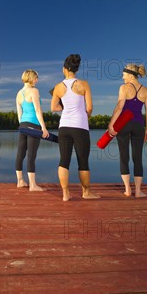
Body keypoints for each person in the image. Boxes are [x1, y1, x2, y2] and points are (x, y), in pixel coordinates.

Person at [51, 54, 99, 201]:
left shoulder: (58, 87)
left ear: (64, 69)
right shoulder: (84, 84)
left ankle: (65, 194)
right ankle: (86, 193)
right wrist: (86, 116)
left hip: (64, 127)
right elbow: (90, 107)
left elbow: (53, 107)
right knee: (83, 161)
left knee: (64, 160)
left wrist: (65, 107)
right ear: (76, 69)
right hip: (80, 127)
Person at [108, 63, 147, 198]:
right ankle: (138, 192)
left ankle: (127, 190)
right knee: (137, 158)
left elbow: (119, 108)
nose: (122, 77)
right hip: (139, 126)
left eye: (124, 74)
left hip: (124, 125)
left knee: (124, 157)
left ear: (131, 76)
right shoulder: (146, 90)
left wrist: (111, 124)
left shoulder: (124, 88)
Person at [15, 69, 49, 191]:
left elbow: (19, 114)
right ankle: (33, 185)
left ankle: (20, 181)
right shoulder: (34, 91)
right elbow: (38, 110)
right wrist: (44, 127)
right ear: (30, 78)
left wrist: (22, 127)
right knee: (31, 155)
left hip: (23, 125)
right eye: (36, 78)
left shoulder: (19, 93)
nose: (37, 80)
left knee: (21, 153)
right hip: (34, 125)